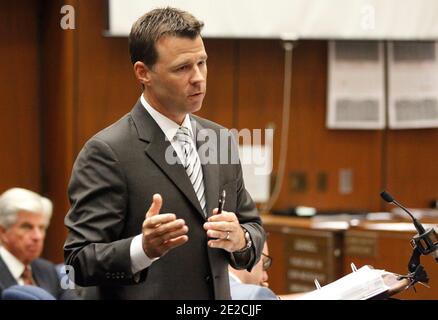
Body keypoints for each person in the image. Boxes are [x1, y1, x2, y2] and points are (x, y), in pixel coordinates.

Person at [64, 7, 265, 300]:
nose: (198, 78)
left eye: (202, 63)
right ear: (143, 72)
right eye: (182, 68)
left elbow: (253, 227)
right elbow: (78, 262)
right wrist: (142, 249)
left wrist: (240, 239)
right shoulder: (108, 151)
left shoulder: (219, 139)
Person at [0, 188, 79, 300]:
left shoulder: (48, 270)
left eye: (41, 228)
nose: (37, 236)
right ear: (3, 232)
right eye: (27, 227)